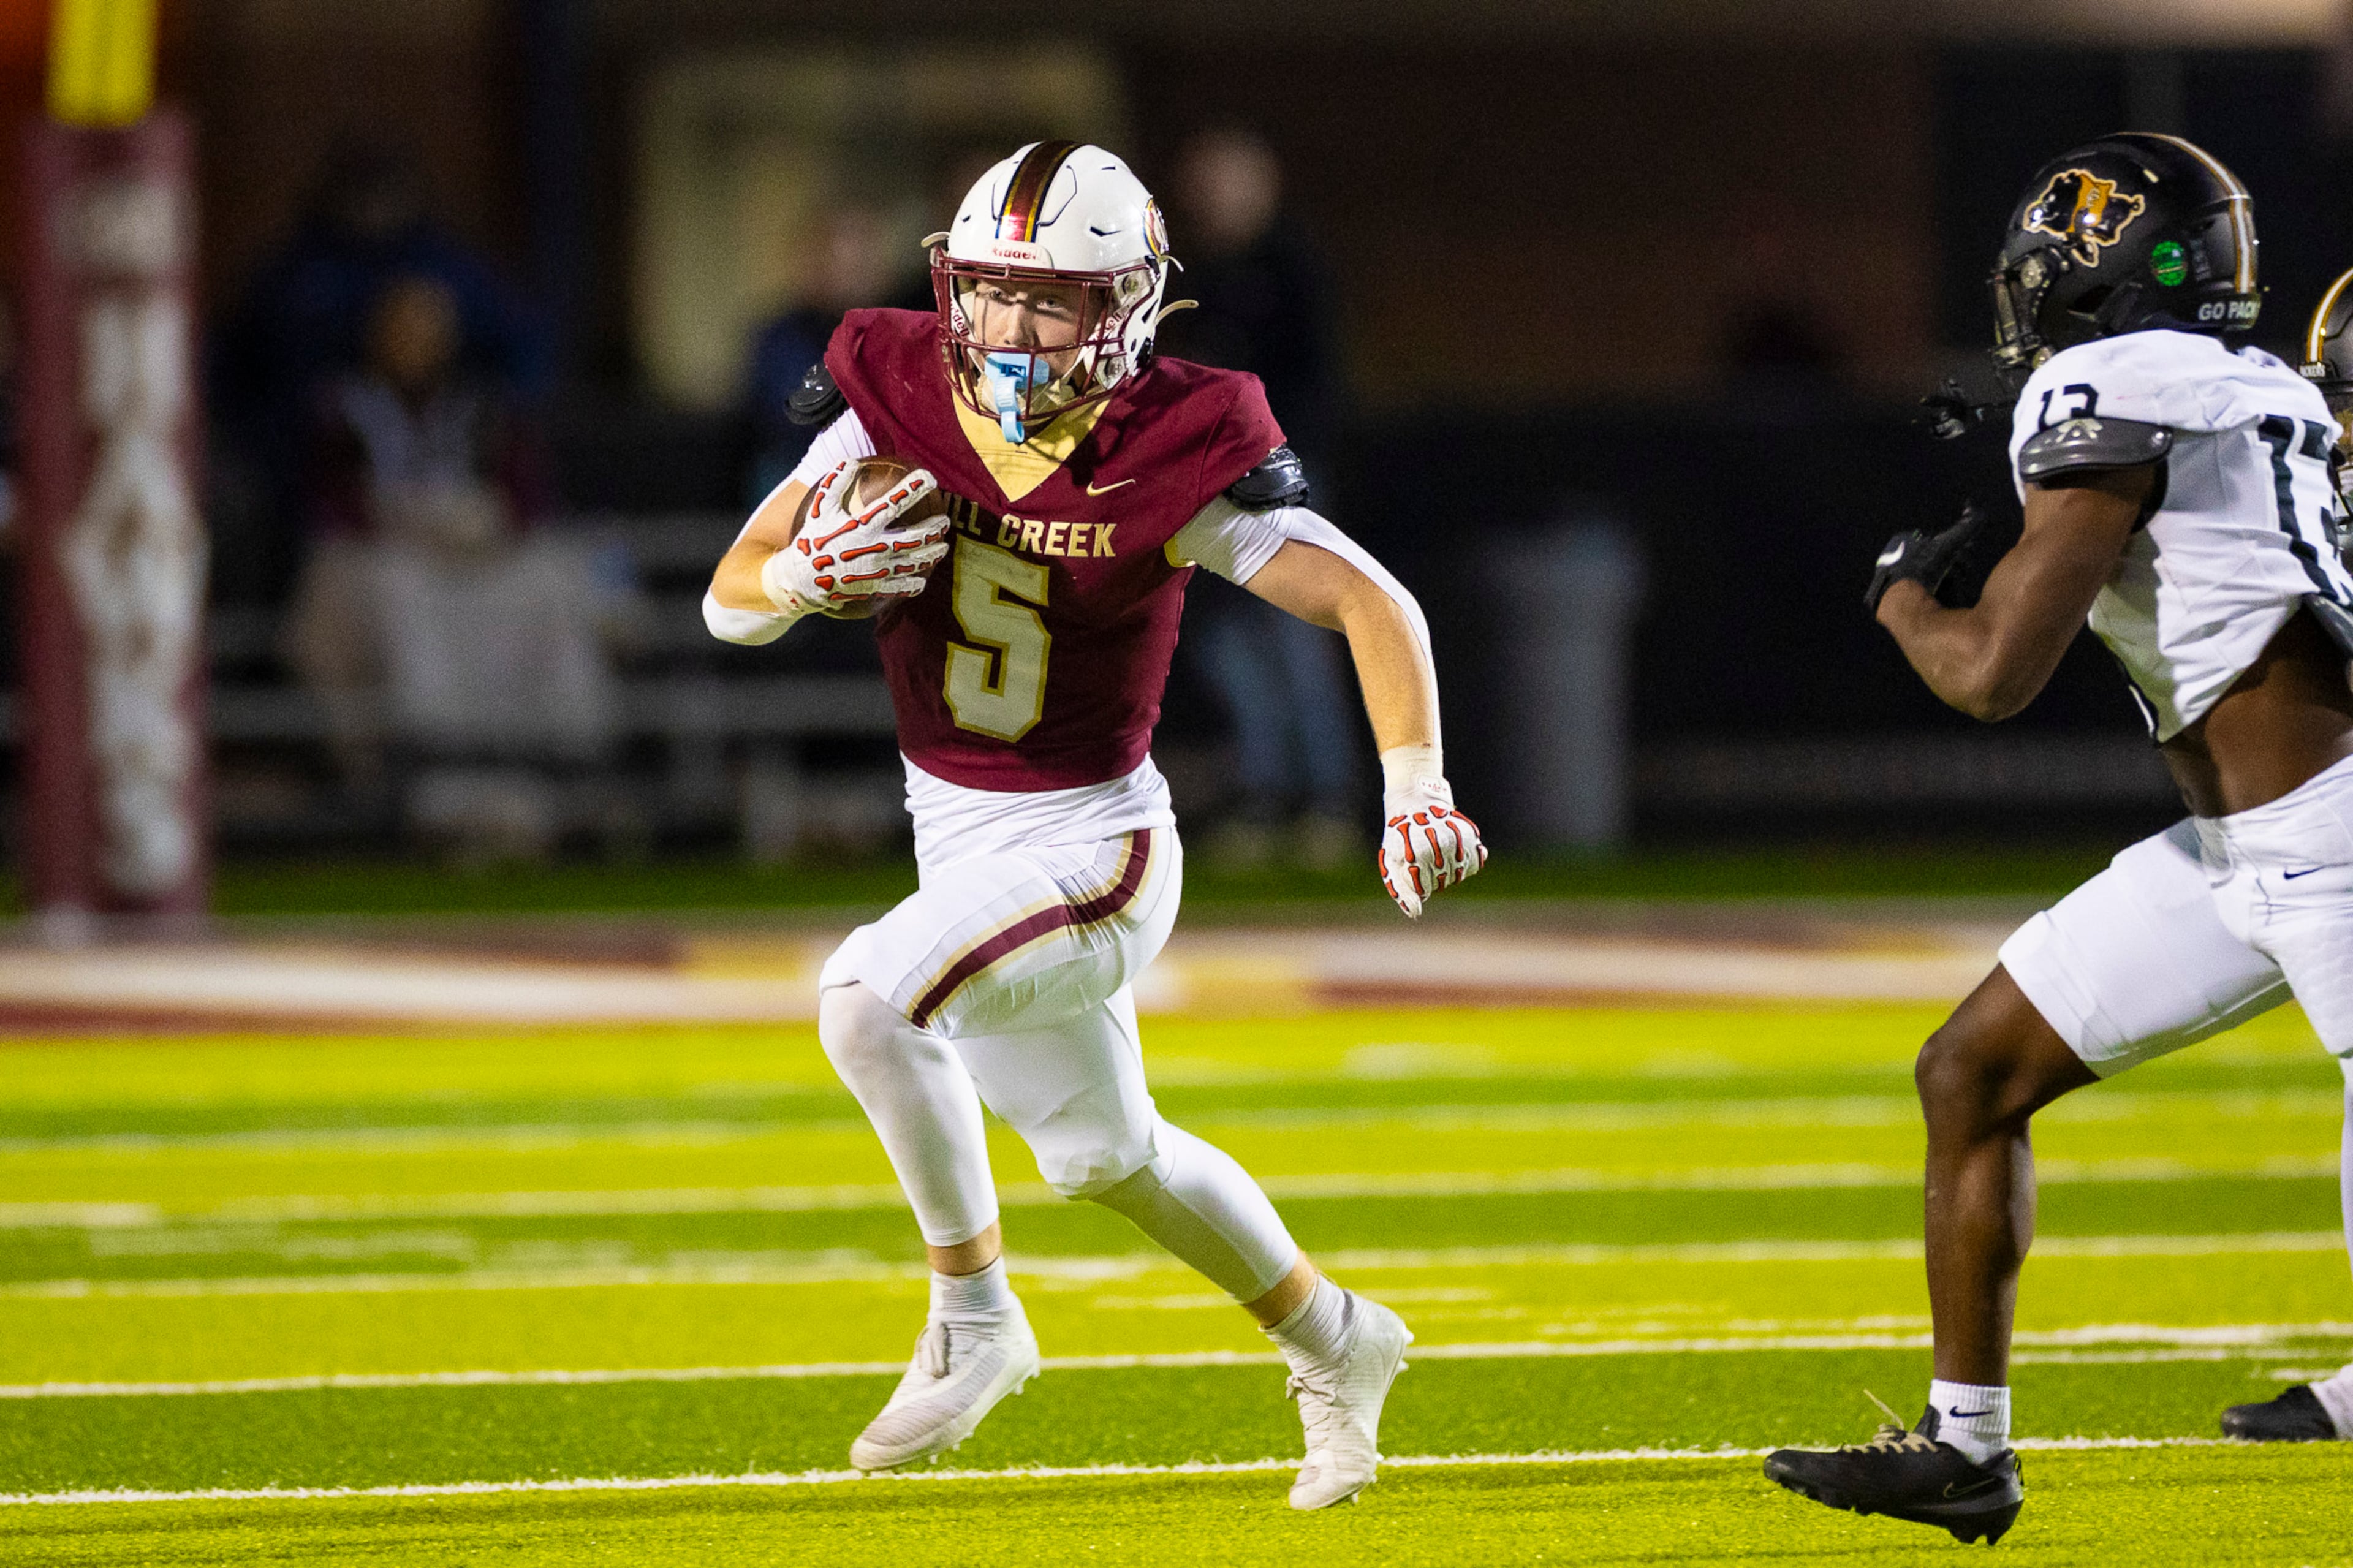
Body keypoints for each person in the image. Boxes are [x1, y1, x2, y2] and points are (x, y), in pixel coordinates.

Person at [704, 141, 1485, 1507]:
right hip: (952, 833)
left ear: (1126, 307)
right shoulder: (895, 393)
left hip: (1093, 847)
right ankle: (1339, 1337)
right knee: (1105, 1156)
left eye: (1050, 300)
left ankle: (976, 1315)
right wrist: (806, 576)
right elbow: (730, 594)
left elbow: (1375, 600)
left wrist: (1414, 784)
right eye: (993, 292)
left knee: (864, 1001)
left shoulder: (1167, 439)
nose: (1009, 329)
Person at [1764, 133, 2353, 1543]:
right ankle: (1962, 1449)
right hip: (2237, 855)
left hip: (2329, 841)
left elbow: (1987, 676)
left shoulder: (2110, 382)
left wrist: (1904, 592)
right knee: (1970, 1067)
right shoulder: (2262, 385)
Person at [1158, 127, 1358, 867]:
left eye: (1227, 181)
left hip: (1277, 481)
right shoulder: (1187, 272)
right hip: (1198, 486)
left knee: (1294, 637)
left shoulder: (1290, 267)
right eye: (1202, 183)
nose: (1212, 198)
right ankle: (1267, 792)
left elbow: (1314, 385)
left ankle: (1324, 801)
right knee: (1225, 642)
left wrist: (1279, 467)